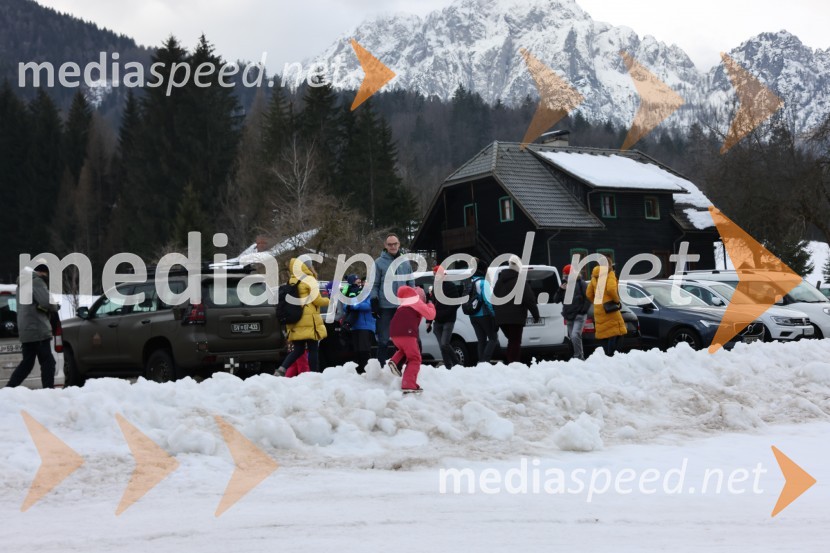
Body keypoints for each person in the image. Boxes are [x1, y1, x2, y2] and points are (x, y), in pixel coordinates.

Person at [6, 263, 59, 388]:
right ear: (41, 272)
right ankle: (48, 391)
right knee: (48, 362)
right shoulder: (37, 282)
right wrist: (56, 306)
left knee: (27, 364)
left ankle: (9, 388)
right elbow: (47, 302)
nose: (46, 278)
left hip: (26, 330)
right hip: (38, 329)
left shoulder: (21, 284)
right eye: (46, 275)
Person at [275, 258, 329, 375]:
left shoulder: (292, 280)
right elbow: (318, 300)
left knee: (298, 350)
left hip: (296, 319)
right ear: (308, 267)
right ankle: (314, 374)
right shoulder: (309, 280)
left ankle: (281, 369)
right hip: (309, 320)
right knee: (313, 349)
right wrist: (329, 300)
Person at [370, 233, 414, 366]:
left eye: (395, 244)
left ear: (399, 244)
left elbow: (411, 283)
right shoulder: (379, 263)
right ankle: (381, 367)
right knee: (383, 339)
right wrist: (374, 300)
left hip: (401, 306)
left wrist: (412, 302)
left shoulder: (405, 262)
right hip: (385, 306)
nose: (393, 246)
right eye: (390, 244)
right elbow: (374, 284)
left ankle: (399, 366)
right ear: (386, 246)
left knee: (401, 338)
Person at [387, 285, 436, 393]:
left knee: (405, 350)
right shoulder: (416, 301)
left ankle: (395, 361)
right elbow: (431, 315)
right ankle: (408, 384)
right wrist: (430, 304)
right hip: (407, 333)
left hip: (394, 333)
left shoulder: (403, 304)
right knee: (415, 358)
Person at [492, 255, 539, 364]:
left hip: (501, 320)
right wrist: (536, 315)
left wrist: (497, 317)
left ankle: (511, 363)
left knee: (512, 341)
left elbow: (494, 299)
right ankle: (514, 364)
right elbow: (529, 299)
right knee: (515, 342)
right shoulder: (519, 281)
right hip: (515, 318)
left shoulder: (499, 281)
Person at [585, 256, 627, 356]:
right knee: (617, 332)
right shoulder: (609, 274)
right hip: (610, 309)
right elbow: (611, 289)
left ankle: (606, 356)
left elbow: (588, 294)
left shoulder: (594, 276)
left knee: (604, 334)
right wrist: (617, 300)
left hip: (599, 310)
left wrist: (597, 302)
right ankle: (611, 356)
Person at [553, 264, 591, 360]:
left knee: (575, 335)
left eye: (567, 276)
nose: (565, 278)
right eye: (564, 276)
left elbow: (588, 298)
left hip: (579, 316)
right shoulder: (564, 286)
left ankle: (577, 356)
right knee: (574, 337)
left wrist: (583, 311)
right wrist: (560, 290)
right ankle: (580, 356)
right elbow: (556, 300)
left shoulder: (581, 283)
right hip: (569, 316)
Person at [428, 265, 463, 368]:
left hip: (448, 320)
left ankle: (456, 364)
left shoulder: (450, 286)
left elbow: (456, 302)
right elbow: (433, 303)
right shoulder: (435, 287)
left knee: (444, 344)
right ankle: (448, 367)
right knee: (442, 346)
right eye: (434, 274)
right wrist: (430, 320)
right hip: (438, 320)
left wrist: (446, 313)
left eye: (436, 274)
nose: (435, 276)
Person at [467, 258, 499, 364]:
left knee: (481, 340)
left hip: (473, 316)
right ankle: (485, 361)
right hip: (484, 315)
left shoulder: (470, 281)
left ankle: (481, 363)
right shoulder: (483, 282)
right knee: (493, 338)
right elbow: (488, 301)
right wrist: (493, 314)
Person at [343, 274, 375, 374]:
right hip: (354, 326)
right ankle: (359, 373)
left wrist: (354, 305)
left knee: (364, 350)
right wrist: (351, 305)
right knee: (356, 351)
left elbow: (368, 306)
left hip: (366, 326)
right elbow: (345, 306)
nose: (363, 283)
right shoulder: (353, 291)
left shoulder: (370, 293)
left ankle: (366, 371)